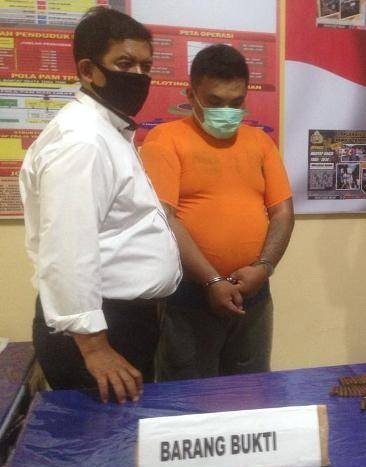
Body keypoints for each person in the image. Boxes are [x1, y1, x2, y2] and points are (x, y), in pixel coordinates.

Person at [19, 7, 182, 403]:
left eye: (146, 66)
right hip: (98, 333)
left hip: (121, 322)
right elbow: (67, 246)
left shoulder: (108, 130)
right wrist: (94, 348)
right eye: (124, 64)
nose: (138, 76)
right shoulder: (83, 141)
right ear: (88, 70)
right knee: (102, 438)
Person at [140, 44, 294, 380]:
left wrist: (263, 267)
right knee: (189, 398)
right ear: (191, 94)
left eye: (236, 103)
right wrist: (211, 280)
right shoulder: (165, 139)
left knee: (251, 392)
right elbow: (164, 218)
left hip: (253, 294)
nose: (227, 111)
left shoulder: (260, 142)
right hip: (189, 297)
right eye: (214, 102)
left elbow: (283, 212)